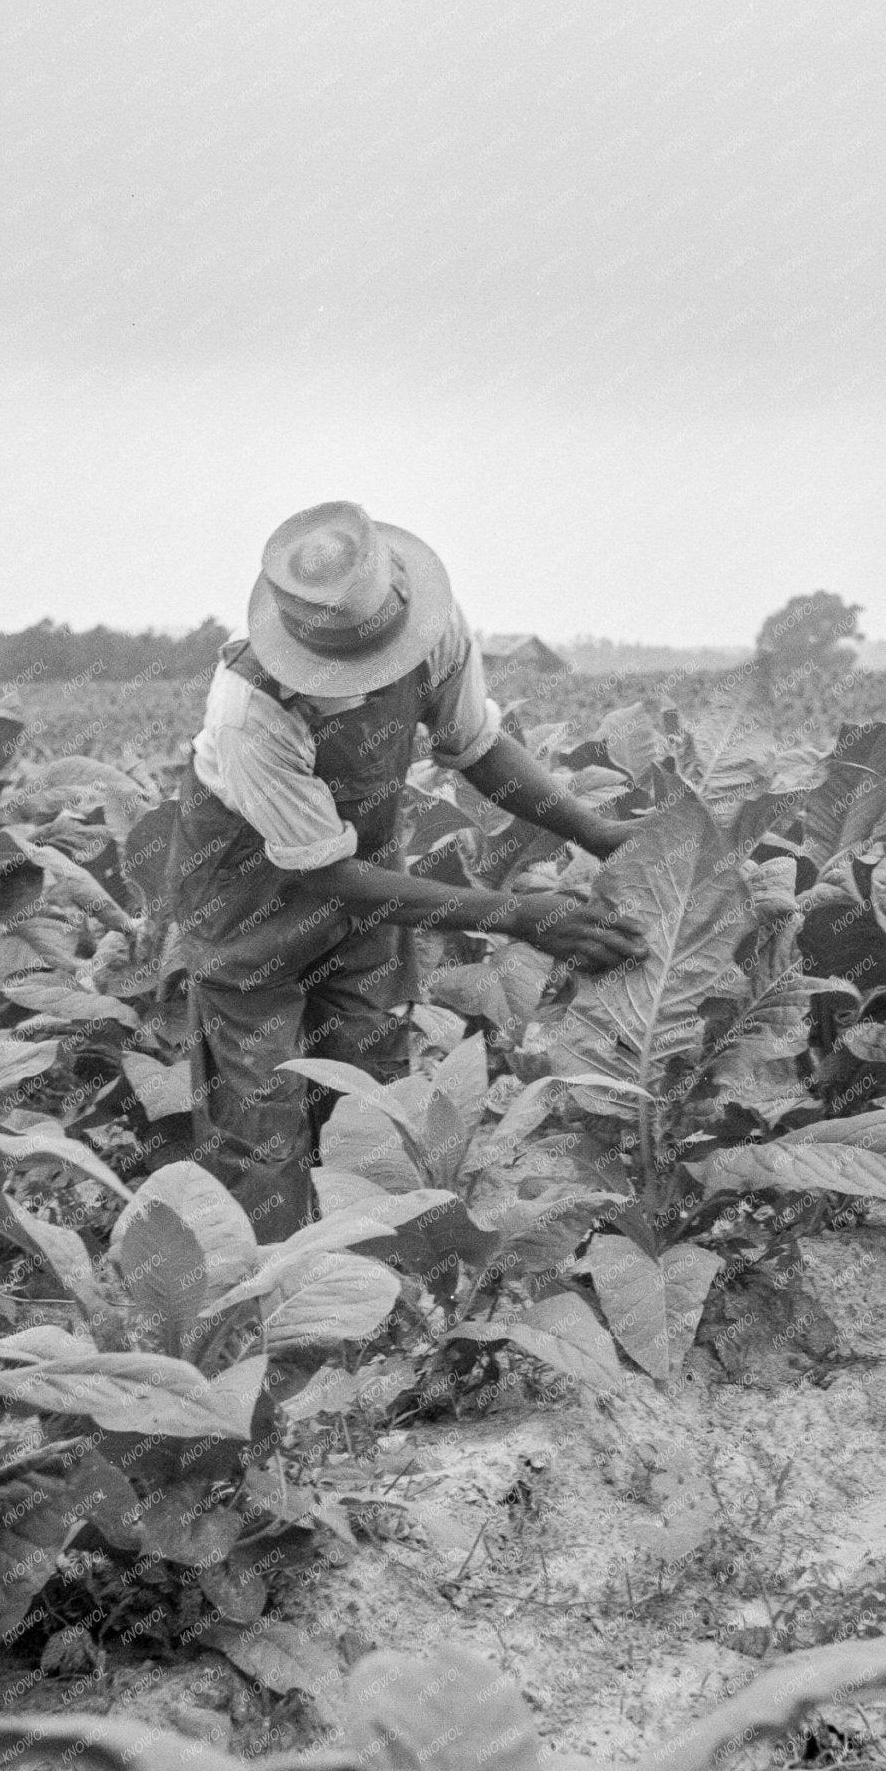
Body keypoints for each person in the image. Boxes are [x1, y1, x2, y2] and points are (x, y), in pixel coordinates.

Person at [167, 500, 646, 1241]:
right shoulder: (250, 709)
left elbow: (478, 748)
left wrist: (599, 832)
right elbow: (326, 873)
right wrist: (517, 914)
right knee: (261, 1123)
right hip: (246, 895)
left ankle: (377, 1290)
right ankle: (277, 1310)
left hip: (367, 886)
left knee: (370, 1097)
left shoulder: (428, 627)